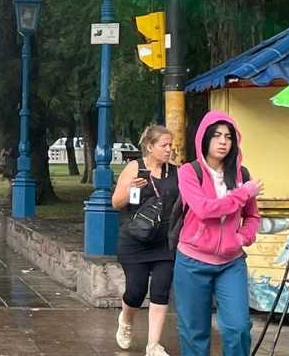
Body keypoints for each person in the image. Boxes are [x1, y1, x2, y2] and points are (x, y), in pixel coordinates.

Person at [173, 111, 262, 356]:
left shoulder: (242, 174)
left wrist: (243, 237)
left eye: (228, 137)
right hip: (191, 262)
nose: (223, 142)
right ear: (204, 139)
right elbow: (203, 209)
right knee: (194, 331)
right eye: (216, 136)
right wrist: (243, 193)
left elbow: (253, 216)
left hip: (231, 263)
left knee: (239, 327)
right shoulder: (189, 172)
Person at [110, 125, 178, 356]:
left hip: (164, 243)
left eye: (171, 145)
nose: (169, 149)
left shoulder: (176, 172)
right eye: (164, 145)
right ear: (150, 146)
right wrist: (130, 189)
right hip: (135, 241)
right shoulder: (134, 168)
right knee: (136, 291)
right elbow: (116, 203)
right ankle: (126, 320)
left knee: (160, 290)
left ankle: (153, 345)